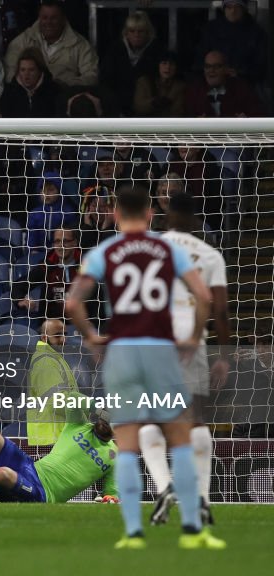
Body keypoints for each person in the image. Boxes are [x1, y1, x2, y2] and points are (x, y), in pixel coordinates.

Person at [65, 184, 224, 549]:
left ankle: (133, 532)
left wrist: (91, 336)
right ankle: (192, 531)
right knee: (182, 437)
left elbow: (73, 302)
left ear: (116, 215)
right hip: (160, 349)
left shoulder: (106, 250)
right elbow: (203, 297)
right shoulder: (168, 248)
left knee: (126, 442)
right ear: (151, 214)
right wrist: (193, 335)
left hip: (122, 350)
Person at [142, 193, 230, 527]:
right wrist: (224, 356)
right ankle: (203, 497)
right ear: (195, 220)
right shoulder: (209, 256)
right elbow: (219, 309)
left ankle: (164, 487)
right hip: (193, 342)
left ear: (166, 216)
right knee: (195, 419)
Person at [3, 0, 98, 89]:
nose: (48, 22)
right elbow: (9, 72)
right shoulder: (23, 40)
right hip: (29, 97)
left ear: (63, 19)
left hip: (64, 95)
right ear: (39, 18)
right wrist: (28, 83)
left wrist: (67, 83)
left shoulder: (80, 44)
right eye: (44, 18)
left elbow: (92, 76)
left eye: (54, 18)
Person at [99, 11, 162, 117]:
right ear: (126, 33)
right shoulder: (115, 50)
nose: (136, 35)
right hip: (117, 107)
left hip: (147, 110)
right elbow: (106, 81)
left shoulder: (157, 51)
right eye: (132, 31)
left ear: (148, 33)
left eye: (140, 31)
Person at [26, 319, 79, 446]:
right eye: (57, 335)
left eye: (65, 334)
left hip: (55, 436)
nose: (63, 339)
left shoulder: (54, 358)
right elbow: (57, 402)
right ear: (44, 338)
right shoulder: (46, 362)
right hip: (50, 439)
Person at [13, 227, 82, 323]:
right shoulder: (47, 265)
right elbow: (18, 285)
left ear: (75, 243)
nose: (61, 245)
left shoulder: (87, 266)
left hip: (82, 327)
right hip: (50, 328)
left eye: (65, 241)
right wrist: (21, 300)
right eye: (57, 241)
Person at [185, 50, 261, 118]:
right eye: (208, 66)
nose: (211, 70)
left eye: (217, 66)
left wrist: (247, 121)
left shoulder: (241, 88)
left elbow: (260, 117)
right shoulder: (195, 91)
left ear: (226, 69)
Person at [0, 48, 60, 118]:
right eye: (22, 70)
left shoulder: (54, 91)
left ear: (40, 71)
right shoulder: (9, 91)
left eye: (31, 70)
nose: (26, 74)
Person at [133, 52, 186, 118]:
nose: (168, 67)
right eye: (164, 63)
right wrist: (154, 103)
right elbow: (138, 106)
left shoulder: (179, 86)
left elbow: (177, 113)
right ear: (157, 65)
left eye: (172, 64)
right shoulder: (144, 82)